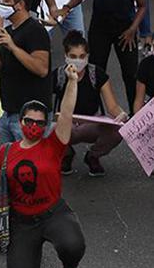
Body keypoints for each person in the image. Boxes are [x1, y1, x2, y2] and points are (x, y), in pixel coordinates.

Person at [0, 66, 87, 268]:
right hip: (23, 222)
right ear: (21, 121)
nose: (34, 126)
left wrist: (72, 81)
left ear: (45, 126)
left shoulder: (54, 145)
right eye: (29, 121)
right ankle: (32, 251)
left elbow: (66, 113)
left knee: (72, 245)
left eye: (40, 123)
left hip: (53, 213)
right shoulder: (6, 151)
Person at [58, 0, 146, 108]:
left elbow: (142, 5)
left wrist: (133, 29)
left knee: (130, 74)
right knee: (96, 73)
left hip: (125, 33)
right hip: (100, 31)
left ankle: (135, 118)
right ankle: (95, 112)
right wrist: (67, 7)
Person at [0, 0, 53, 152]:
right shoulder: (10, 32)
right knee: (9, 167)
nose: (1, 4)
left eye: (5, 1)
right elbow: (1, 71)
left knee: (29, 165)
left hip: (31, 117)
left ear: (20, 5)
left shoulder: (35, 31)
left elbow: (41, 69)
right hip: (8, 114)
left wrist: (13, 47)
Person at [55, 32, 128, 178]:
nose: (77, 61)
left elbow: (112, 106)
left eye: (82, 56)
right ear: (66, 56)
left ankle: (93, 156)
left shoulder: (97, 74)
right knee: (45, 128)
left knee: (119, 129)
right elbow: (45, 105)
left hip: (91, 124)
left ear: (87, 56)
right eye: (73, 56)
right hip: (66, 126)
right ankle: (66, 154)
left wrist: (121, 114)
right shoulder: (58, 75)